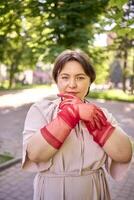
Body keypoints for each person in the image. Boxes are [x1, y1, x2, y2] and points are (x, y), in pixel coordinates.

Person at [22, 49, 133, 200]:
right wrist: (70, 115)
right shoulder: (41, 110)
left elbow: (124, 154)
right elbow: (35, 154)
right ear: (57, 80)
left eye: (80, 78)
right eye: (65, 77)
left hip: (94, 191)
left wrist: (97, 123)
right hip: (52, 193)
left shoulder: (102, 114)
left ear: (90, 81)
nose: (72, 85)